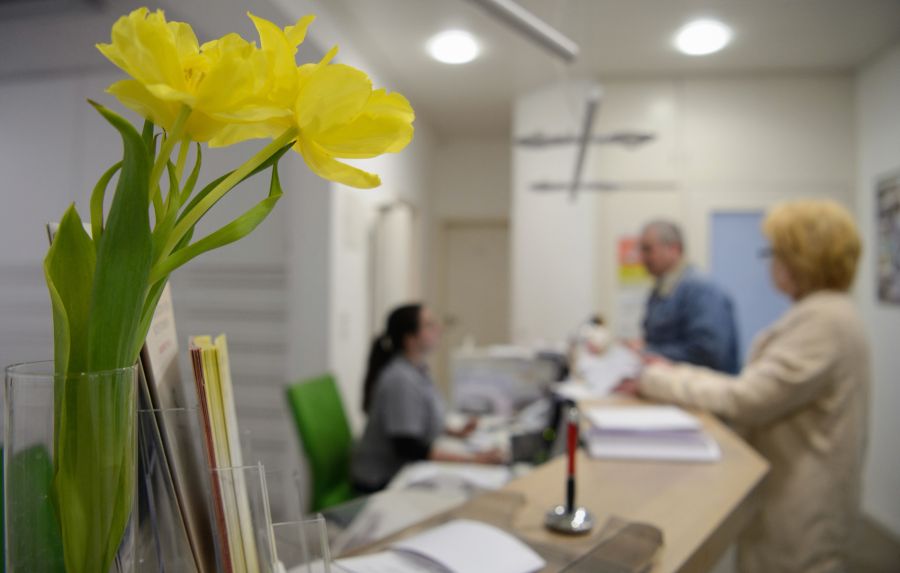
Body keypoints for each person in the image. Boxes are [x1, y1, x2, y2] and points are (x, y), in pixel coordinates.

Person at [620, 200, 869, 573]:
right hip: (790, 486)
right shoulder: (822, 313)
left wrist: (656, 378)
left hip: (802, 500)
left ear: (801, 258)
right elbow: (751, 386)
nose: (770, 264)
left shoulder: (823, 321)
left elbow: (747, 398)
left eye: (776, 253)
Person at [351, 303, 503, 493]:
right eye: (429, 325)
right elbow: (409, 447)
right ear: (410, 339)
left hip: (404, 471)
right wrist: (473, 460)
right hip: (381, 483)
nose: (439, 328)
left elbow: (420, 421)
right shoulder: (400, 379)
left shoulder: (417, 370)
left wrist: (456, 433)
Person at [635, 220, 739, 373]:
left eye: (648, 249)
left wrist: (649, 352)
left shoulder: (702, 290)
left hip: (704, 391)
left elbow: (709, 352)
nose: (642, 257)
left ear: (674, 248)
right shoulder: (661, 290)